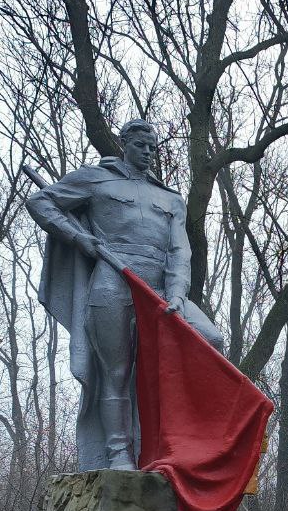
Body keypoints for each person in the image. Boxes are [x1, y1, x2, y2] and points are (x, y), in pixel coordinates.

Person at [26, 119, 224, 471]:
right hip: (112, 279)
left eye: (152, 147)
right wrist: (77, 238)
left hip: (161, 289)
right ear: (124, 144)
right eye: (140, 145)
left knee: (210, 339)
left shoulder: (170, 199)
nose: (148, 152)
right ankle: (118, 454)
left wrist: (178, 294)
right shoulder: (95, 179)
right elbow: (41, 202)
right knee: (115, 371)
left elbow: (180, 253)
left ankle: (190, 442)